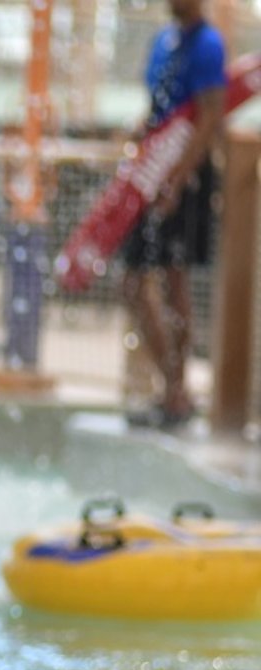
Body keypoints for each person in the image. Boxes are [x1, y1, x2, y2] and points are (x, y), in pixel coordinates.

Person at [120, 0, 226, 429]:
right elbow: (160, 108)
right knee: (132, 283)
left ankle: (176, 391)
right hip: (153, 172)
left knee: (174, 277)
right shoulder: (164, 42)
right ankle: (171, 386)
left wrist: (178, 179)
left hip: (185, 180)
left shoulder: (208, 44)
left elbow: (209, 117)